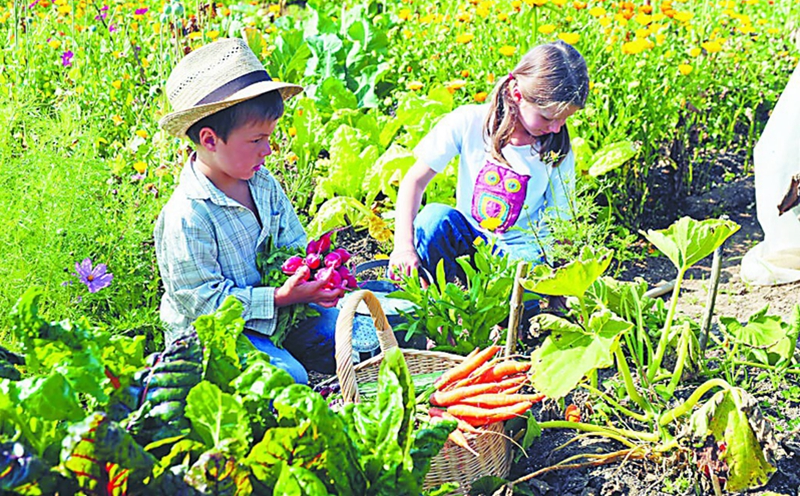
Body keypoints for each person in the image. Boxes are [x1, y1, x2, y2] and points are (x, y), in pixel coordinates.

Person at [154, 38, 372, 385]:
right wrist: (279, 296)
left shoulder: (262, 183)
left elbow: (293, 243)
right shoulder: (188, 215)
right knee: (288, 382)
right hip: (218, 336)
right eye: (257, 140)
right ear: (210, 140)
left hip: (284, 310)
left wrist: (313, 277)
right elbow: (204, 305)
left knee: (363, 338)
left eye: (269, 138)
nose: (268, 150)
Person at [389, 41, 589, 300]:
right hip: (469, 245)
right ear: (517, 94)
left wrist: (563, 290)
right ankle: (447, 309)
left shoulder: (556, 149)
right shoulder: (469, 122)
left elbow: (562, 227)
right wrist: (403, 247)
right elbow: (414, 182)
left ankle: (503, 319)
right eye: (548, 117)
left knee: (520, 292)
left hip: (521, 261)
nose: (556, 127)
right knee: (433, 219)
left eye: (565, 119)